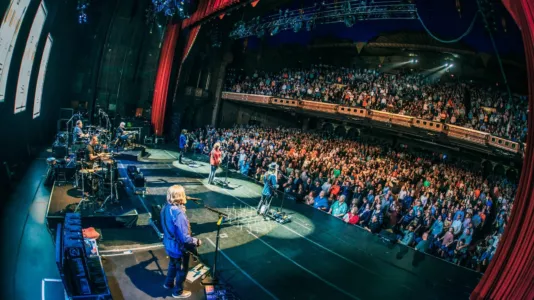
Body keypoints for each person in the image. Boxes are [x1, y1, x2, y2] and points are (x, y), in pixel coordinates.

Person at [161, 185, 201, 298]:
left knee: (172, 264)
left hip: (168, 244)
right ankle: (178, 292)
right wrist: (197, 241)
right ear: (180, 196)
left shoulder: (165, 207)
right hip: (178, 248)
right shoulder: (178, 214)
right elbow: (185, 238)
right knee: (182, 270)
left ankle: (168, 284)